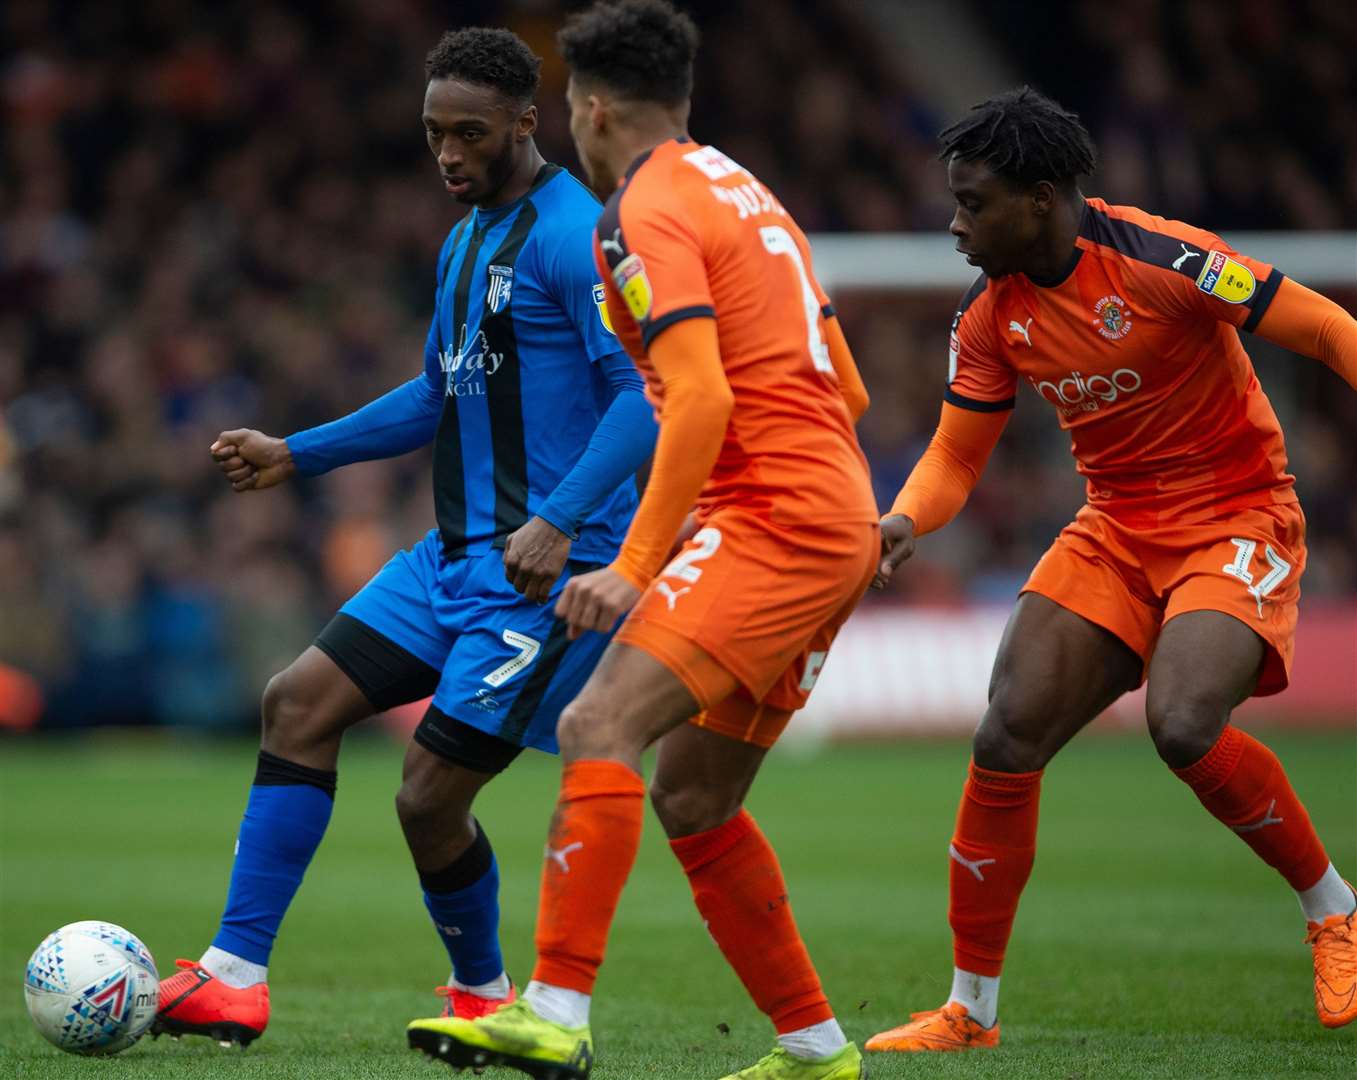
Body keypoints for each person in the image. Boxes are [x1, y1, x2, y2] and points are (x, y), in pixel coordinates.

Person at [151, 27, 657, 1047]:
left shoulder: (582, 237)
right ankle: (234, 975)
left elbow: (645, 398)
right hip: (447, 560)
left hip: (542, 575)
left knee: (427, 798)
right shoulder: (463, 238)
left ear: (527, 120)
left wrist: (559, 522)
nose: (450, 156)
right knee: (296, 703)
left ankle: (480, 993)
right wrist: (300, 451)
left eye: (470, 134)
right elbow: (440, 390)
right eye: (434, 135)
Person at [405, 2, 877, 1078]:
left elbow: (698, 399)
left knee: (597, 723)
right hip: (830, 510)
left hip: (771, 516)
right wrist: (847, 520)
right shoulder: (746, 190)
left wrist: (631, 565)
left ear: (590, 107)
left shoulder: (640, 211)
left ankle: (554, 1013)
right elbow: (843, 385)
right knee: (695, 796)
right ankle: (814, 1048)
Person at [867, 87, 1357, 1054]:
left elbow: (1324, 330)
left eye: (973, 204)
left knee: (1181, 724)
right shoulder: (988, 316)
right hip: (1116, 529)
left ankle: (1333, 910)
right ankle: (971, 1011)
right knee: (1005, 734)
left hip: (1235, 517)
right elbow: (957, 456)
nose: (956, 226)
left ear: (1040, 198)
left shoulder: (1164, 258)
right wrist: (900, 520)